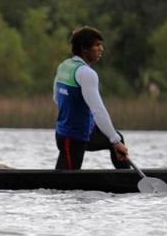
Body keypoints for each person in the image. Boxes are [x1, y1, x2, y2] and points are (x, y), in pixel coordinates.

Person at [53, 26, 130, 170]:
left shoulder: (64, 66)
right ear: (84, 48)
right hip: (72, 138)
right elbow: (98, 110)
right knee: (63, 187)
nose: (102, 49)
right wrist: (115, 141)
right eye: (97, 45)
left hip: (72, 133)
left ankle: (127, 180)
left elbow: (56, 98)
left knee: (116, 137)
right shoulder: (86, 73)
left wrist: (115, 140)